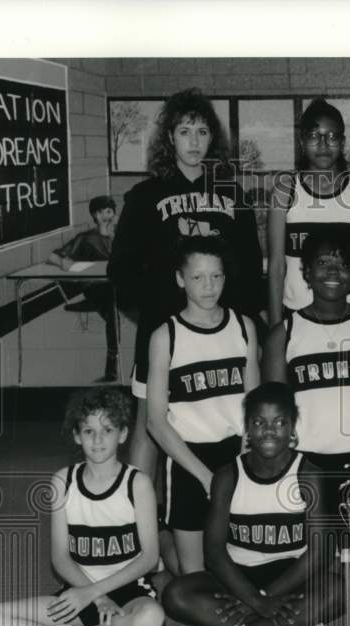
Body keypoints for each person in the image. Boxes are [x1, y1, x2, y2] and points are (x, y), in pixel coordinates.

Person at [107, 88, 263, 481]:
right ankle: (139, 516)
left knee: (222, 416)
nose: (194, 142)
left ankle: (224, 499)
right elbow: (122, 270)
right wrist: (154, 312)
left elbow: (247, 266)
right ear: (169, 138)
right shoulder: (145, 197)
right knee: (150, 421)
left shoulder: (232, 195)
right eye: (184, 131)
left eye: (202, 132)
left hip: (219, 328)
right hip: (166, 328)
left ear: (214, 138)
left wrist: (240, 320)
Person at [0, 388, 163, 626]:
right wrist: (94, 597)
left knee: (152, 619)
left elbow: (149, 558)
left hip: (129, 592)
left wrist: (96, 593)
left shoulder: (137, 483)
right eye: (89, 431)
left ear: (123, 434)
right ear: (77, 436)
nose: (98, 440)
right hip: (78, 591)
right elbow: (60, 558)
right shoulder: (62, 482)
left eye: (107, 430)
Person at [163, 383, 343, 626]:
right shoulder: (227, 475)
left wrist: (263, 598)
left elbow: (319, 552)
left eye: (279, 422)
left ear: (293, 428)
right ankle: (290, 625)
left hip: (290, 578)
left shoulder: (309, 475)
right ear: (247, 429)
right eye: (259, 422)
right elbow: (213, 552)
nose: (269, 431)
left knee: (337, 589)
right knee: (176, 594)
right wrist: (254, 599)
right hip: (239, 576)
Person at [146, 236, 259, 575]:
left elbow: (253, 408)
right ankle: (164, 540)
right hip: (188, 457)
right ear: (180, 279)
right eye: (197, 277)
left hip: (235, 453)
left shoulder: (243, 327)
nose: (208, 287)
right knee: (192, 578)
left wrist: (244, 463)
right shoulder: (166, 336)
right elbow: (155, 422)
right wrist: (205, 477)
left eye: (216, 276)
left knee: (236, 568)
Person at [262, 225, 350, 518]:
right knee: (317, 559)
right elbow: (275, 413)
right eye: (322, 263)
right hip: (308, 466)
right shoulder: (284, 334)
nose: (333, 272)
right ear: (305, 272)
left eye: (343, 264)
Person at [267, 98, 350, 326]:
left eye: (332, 136)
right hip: (296, 316)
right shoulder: (284, 193)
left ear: (343, 141)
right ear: (301, 142)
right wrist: (276, 325)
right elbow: (277, 265)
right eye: (314, 136)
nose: (323, 144)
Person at [48, 195, 120, 382]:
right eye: (101, 212)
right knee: (112, 310)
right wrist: (63, 261)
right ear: (94, 216)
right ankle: (112, 362)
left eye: (109, 211)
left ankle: (90, 305)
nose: (106, 216)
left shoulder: (123, 236)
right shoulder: (86, 239)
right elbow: (53, 256)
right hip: (97, 287)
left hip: (120, 286)